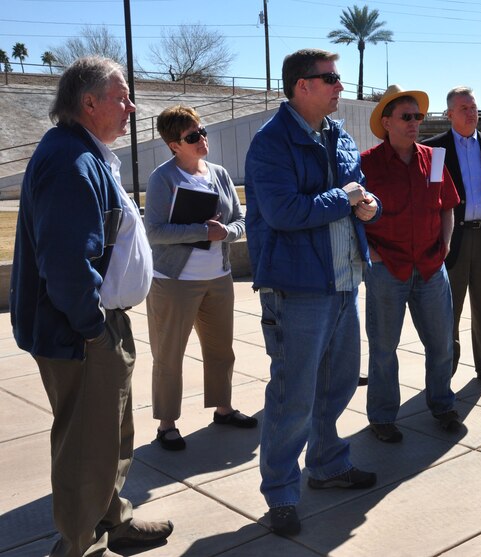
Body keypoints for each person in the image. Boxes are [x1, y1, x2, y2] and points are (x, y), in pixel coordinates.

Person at [10, 56, 173, 557]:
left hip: (96, 324)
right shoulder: (70, 161)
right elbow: (65, 263)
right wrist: (93, 330)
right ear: (89, 103)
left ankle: (113, 521)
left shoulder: (87, 151)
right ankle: (79, 546)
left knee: (110, 435)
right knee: (87, 446)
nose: (131, 106)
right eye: (122, 97)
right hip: (79, 331)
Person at [244, 48, 380, 537]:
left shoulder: (337, 135)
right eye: (331, 79)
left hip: (344, 281)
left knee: (339, 383)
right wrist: (345, 199)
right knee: (292, 394)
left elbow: (360, 190)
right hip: (298, 288)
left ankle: (326, 463)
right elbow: (283, 212)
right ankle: (281, 491)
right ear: (303, 85)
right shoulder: (271, 143)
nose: (340, 86)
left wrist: (370, 207)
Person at [145, 105, 255, 452]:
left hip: (219, 278)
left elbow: (240, 219)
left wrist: (227, 233)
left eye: (202, 131)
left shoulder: (219, 174)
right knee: (169, 355)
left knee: (222, 350)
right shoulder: (163, 178)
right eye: (192, 136)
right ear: (173, 145)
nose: (202, 139)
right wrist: (202, 231)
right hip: (175, 282)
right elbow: (155, 232)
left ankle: (223, 409)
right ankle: (167, 424)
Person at [361, 85, 462, 444]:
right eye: (407, 117)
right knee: (384, 348)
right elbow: (353, 213)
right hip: (388, 268)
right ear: (386, 122)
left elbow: (447, 204)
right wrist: (370, 252)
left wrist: (447, 242)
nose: (415, 123)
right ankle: (383, 416)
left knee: (441, 344)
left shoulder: (433, 159)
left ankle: (442, 404)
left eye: (418, 116)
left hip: (433, 267)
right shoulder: (367, 163)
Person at [422, 86, 481, 389]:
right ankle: (446, 370)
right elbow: (431, 194)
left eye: (473, 107)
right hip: (452, 240)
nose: (471, 113)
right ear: (449, 114)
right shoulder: (434, 150)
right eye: (463, 108)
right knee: (449, 311)